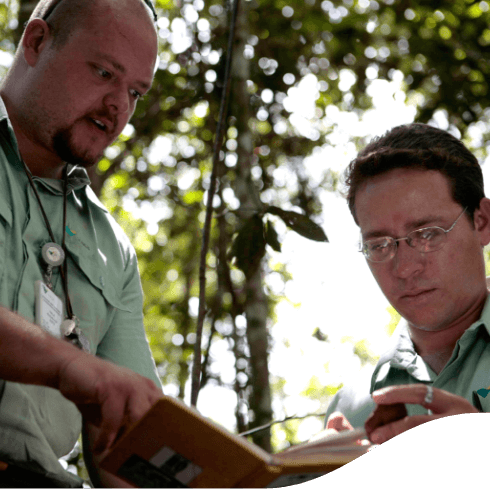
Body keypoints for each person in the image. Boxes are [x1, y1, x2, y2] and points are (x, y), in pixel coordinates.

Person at [0, 0, 164, 487]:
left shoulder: (112, 249)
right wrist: (70, 367)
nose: (119, 106)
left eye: (135, 91)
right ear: (36, 42)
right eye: (103, 72)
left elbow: (132, 450)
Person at [323, 123, 490, 445]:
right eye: (380, 245)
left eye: (427, 234)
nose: (404, 267)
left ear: (481, 222)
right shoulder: (351, 410)